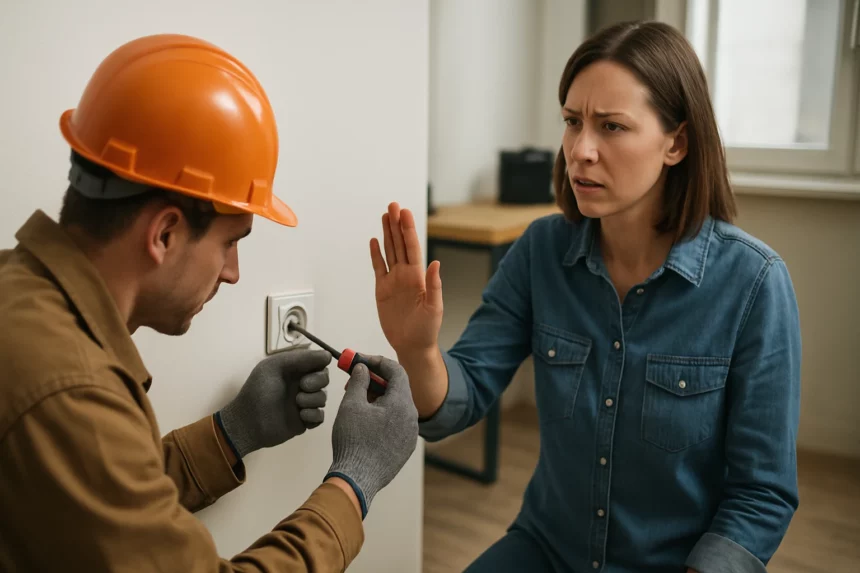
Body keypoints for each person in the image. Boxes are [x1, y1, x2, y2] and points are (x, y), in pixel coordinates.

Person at [372, 21, 801, 573]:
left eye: (612, 126)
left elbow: (762, 494)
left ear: (676, 143)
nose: (580, 150)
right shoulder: (540, 250)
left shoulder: (755, 283)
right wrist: (418, 351)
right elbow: (464, 393)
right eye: (572, 122)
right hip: (548, 548)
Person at [0, 34, 418, 571]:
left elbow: (108, 504)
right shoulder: (68, 388)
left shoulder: (20, 293)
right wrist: (354, 481)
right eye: (231, 242)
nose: (233, 273)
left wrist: (232, 431)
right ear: (165, 234)